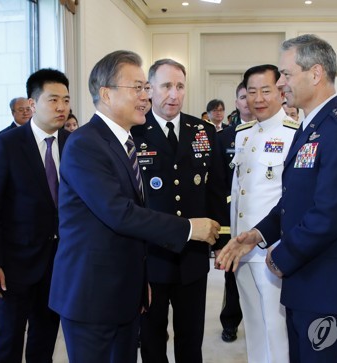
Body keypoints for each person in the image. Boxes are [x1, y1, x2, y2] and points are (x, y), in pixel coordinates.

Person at [48, 51, 220, 363]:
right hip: (92, 296)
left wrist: (140, 284)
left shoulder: (121, 141)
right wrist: (191, 228)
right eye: (137, 88)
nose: (146, 96)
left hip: (125, 293)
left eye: (145, 88)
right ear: (106, 93)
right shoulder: (86, 143)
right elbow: (120, 213)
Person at [217, 34, 337, 363]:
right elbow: (291, 201)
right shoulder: (311, 128)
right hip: (303, 280)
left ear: (315, 74)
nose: (282, 83)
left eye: (286, 74)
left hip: (323, 285)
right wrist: (256, 235)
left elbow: (328, 215)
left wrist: (280, 257)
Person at [131, 58, 229, 363]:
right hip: (152, 258)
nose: (174, 94)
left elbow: (215, 191)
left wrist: (222, 243)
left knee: (191, 340)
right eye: (166, 86)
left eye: (180, 86)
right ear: (149, 89)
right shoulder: (135, 131)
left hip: (193, 258)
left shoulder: (201, 130)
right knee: (152, 340)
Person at [0, 68, 71, 363]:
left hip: (59, 261)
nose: (61, 107)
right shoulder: (6, 145)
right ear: (33, 103)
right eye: (53, 100)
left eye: (65, 100)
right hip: (15, 264)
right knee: (8, 339)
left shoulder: (74, 144)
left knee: (45, 336)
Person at [230, 64, 298, 362]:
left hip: (271, 249)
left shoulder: (295, 133)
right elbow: (239, 192)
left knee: (275, 326)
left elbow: (291, 198)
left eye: (266, 90)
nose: (258, 98)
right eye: (252, 92)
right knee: (254, 323)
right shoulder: (243, 134)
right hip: (242, 248)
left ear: (281, 92)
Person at [215, 81, 255, 343]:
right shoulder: (224, 137)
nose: (248, 101)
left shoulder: (273, 133)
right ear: (237, 102)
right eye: (243, 96)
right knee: (233, 273)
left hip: (260, 214)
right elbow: (218, 183)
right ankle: (230, 321)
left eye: (251, 95)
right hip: (231, 214)